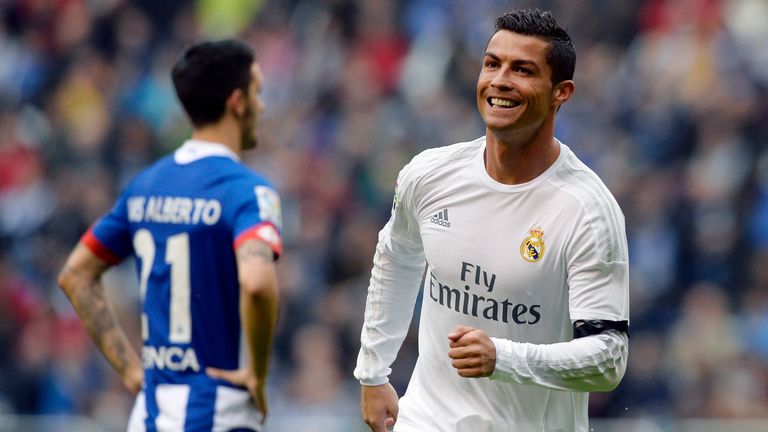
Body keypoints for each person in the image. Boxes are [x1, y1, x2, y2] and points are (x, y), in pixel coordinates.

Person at [354, 8, 629, 432]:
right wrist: (373, 371)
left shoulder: (587, 212)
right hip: (428, 418)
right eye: (491, 64)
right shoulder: (429, 174)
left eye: (523, 70)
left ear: (562, 92)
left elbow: (608, 358)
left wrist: (503, 358)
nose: (500, 80)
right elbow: (396, 259)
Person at [57, 39, 282, 431]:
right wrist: (256, 375)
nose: (262, 105)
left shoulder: (145, 185)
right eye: (258, 92)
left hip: (150, 414)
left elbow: (75, 275)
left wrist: (130, 370)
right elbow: (259, 282)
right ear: (237, 102)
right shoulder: (247, 191)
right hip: (217, 412)